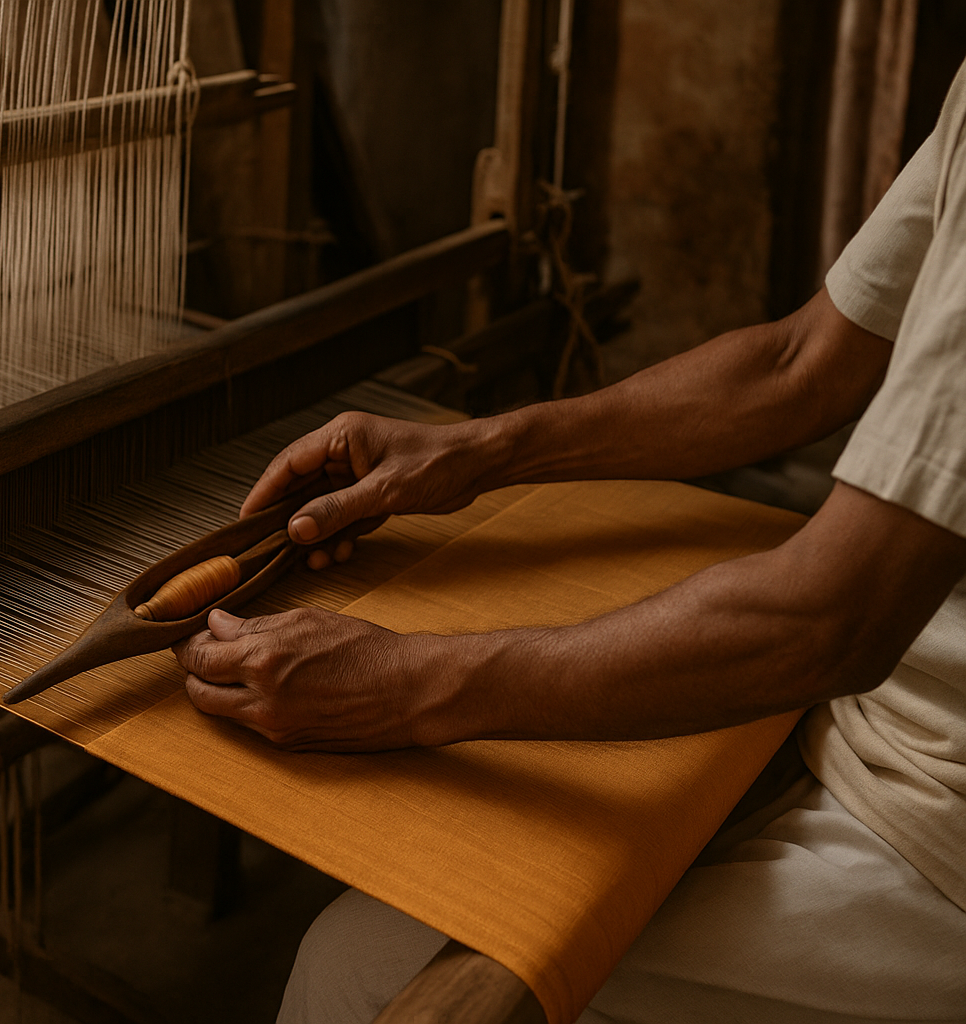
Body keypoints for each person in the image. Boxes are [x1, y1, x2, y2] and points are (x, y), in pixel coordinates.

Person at [171, 62, 966, 1024]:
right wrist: (474, 451)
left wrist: (405, 683)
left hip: (936, 835)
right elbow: (798, 363)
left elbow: (832, 621)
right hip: (874, 727)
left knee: (358, 975)